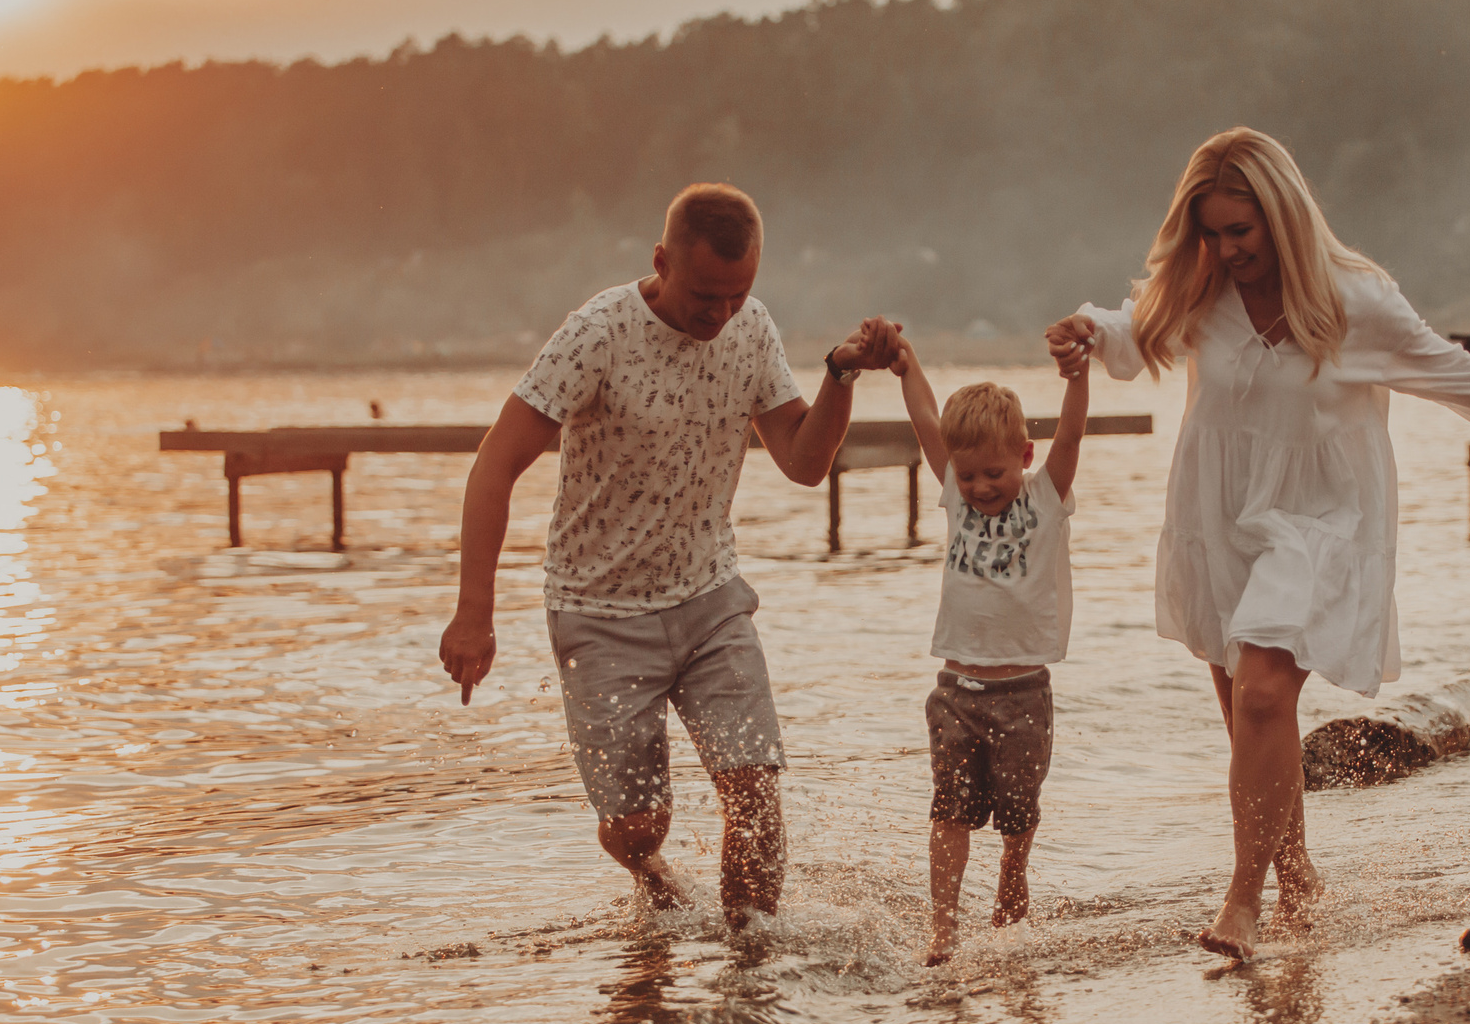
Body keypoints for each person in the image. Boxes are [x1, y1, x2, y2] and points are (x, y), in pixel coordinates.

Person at [1043, 128, 1470, 962]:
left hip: (1325, 518)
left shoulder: (1353, 302)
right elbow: (1135, 332)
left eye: (1243, 231)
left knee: (1262, 693)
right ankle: (1297, 874)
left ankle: (1242, 899)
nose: (1229, 250)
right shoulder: (1201, 289)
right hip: (1220, 512)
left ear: (1283, 218)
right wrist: (1085, 330)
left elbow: (1444, 366)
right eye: (1214, 233)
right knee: (1250, 714)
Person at [437, 183, 895, 935]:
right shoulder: (599, 332)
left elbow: (805, 461)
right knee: (636, 826)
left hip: (711, 597)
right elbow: (495, 463)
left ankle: (753, 962)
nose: (720, 314)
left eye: (737, 294)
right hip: (598, 612)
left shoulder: (751, 329)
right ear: (661, 262)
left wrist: (839, 375)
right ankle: (652, 876)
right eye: (704, 296)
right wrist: (473, 612)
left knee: (752, 788)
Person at [892, 335, 1089, 966]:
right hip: (956, 691)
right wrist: (906, 362)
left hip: (1025, 691)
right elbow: (925, 419)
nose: (979, 487)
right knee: (948, 810)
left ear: (1024, 457)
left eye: (994, 473)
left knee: (1017, 809)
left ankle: (1013, 871)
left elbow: (1073, 436)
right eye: (968, 474)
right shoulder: (955, 492)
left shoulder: (1045, 496)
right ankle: (943, 928)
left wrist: (1078, 376)